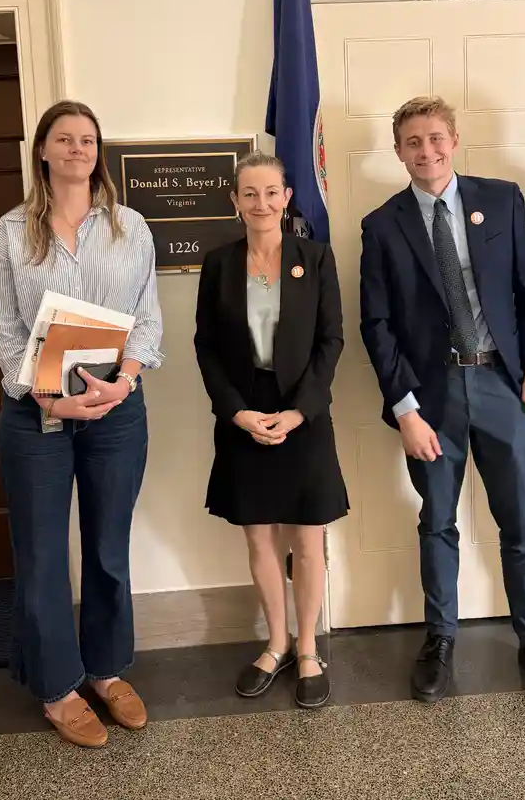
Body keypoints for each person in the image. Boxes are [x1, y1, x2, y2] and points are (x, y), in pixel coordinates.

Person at [359, 96, 525, 714]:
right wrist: (404, 408)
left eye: (435, 139)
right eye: (412, 142)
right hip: (429, 400)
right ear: (398, 150)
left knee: (520, 523)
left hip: (502, 387)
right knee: (437, 521)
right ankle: (440, 638)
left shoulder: (503, 200)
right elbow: (377, 325)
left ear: (453, 141)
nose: (425, 152)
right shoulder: (382, 225)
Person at [0, 100, 163, 748]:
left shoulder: (130, 226)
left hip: (117, 410)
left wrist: (126, 379)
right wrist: (51, 400)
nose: (77, 147)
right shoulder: (10, 232)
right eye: (65, 138)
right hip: (37, 416)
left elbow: (147, 317)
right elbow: (5, 334)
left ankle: (107, 670)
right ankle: (58, 687)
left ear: (98, 151)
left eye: (87, 139)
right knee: (41, 557)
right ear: (43, 151)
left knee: (109, 550)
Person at [194, 150, 348, 709]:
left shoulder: (316, 256)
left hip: (302, 411)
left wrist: (301, 410)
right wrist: (234, 411)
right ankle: (276, 642)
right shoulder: (218, 264)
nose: (261, 203)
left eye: (271, 192)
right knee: (259, 535)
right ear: (235, 201)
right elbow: (206, 346)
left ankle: (308, 648)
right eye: (249, 193)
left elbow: (331, 341)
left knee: (308, 538)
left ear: (287, 198)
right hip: (243, 412)